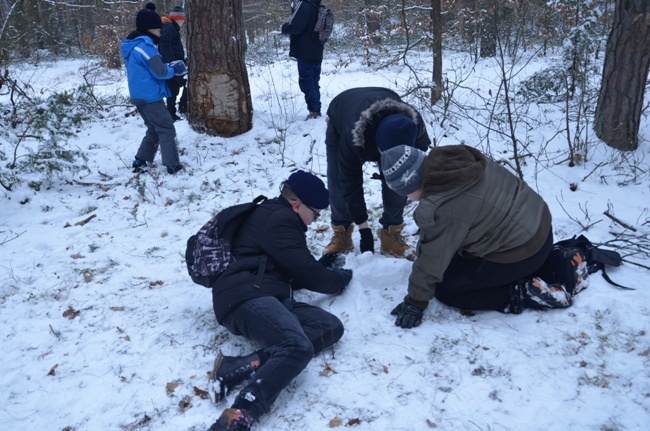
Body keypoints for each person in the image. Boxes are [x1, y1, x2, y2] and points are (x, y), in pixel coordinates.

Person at [379, 144, 590, 329]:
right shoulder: (458, 161)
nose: (407, 198)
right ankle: (554, 261)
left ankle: (522, 294)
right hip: (540, 226)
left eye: (405, 193)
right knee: (458, 262)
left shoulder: (442, 207)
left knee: (448, 289)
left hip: (521, 250)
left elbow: (432, 258)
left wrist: (415, 302)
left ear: (411, 183)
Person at [207, 170, 353, 431]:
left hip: (264, 292)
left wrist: (322, 267)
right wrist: (339, 279)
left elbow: (292, 270)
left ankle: (239, 367)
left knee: (329, 327)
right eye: (316, 213)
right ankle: (240, 414)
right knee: (296, 346)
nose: (314, 220)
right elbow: (308, 273)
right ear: (297, 205)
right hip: (245, 297)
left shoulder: (277, 217)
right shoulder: (279, 220)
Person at [324, 87, 431, 259]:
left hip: (381, 105)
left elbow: (419, 167)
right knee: (337, 181)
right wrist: (363, 227)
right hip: (342, 115)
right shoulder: (354, 135)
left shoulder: (415, 126)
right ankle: (341, 231)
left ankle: (391, 233)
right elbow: (350, 180)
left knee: (403, 176)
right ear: (377, 146)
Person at [120, 2, 187, 175]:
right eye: (159, 29)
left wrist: (167, 66)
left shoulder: (133, 45)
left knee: (154, 129)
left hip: (139, 95)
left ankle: (141, 161)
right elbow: (160, 71)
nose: (161, 31)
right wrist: (175, 69)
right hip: (150, 97)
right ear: (150, 28)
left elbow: (151, 67)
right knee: (166, 128)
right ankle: (172, 165)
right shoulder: (146, 46)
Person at [281, 0, 324, 119]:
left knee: (307, 82)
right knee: (314, 81)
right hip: (317, 50)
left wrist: (284, 28)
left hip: (305, 51)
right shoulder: (317, 5)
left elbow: (295, 27)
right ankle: (316, 110)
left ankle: (314, 111)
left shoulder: (304, 5)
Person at [159, 5, 187, 120]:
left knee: (173, 88)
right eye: (182, 19)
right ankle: (183, 107)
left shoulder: (170, 27)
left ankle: (171, 113)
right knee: (188, 83)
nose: (183, 22)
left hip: (170, 65)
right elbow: (164, 44)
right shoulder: (170, 28)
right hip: (174, 65)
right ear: (178, 19)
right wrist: (174, 62)